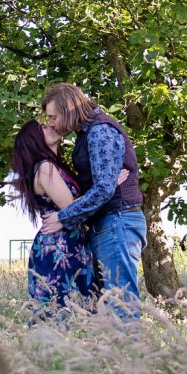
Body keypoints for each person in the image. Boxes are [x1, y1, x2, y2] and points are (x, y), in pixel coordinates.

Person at [39, 83, 147, 319]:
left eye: (54, 117)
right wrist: (104, 185)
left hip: (117, 221)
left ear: (69, 109)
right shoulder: (87, 133)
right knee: (111, 308)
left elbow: (102, 190)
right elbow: (102, 186)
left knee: (122, 306)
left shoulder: (100, 131)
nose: (52, 123)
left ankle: (135, 356)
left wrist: (62, 217)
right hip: (108, 223)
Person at [11, 119, 128, 323]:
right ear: (34, 140)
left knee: (72, 313)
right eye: (43, 127)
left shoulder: (53, 166)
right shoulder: (45, 167)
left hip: (68, 242)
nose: (51, 125)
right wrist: (107, 185)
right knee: (62, 313)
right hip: (59, 247)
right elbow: (70, 207)